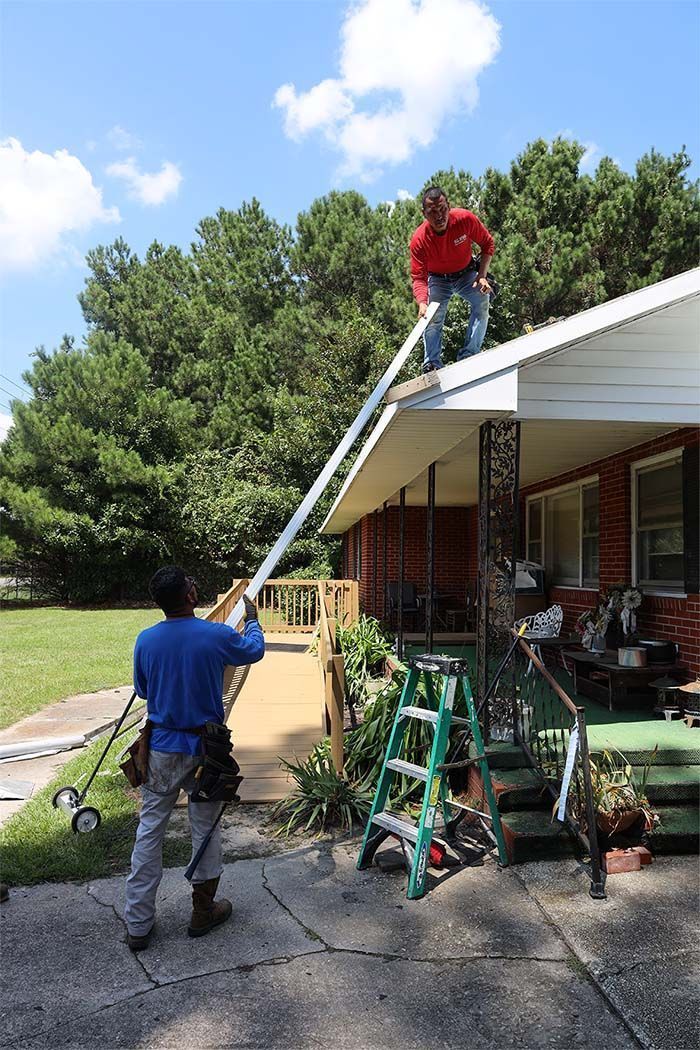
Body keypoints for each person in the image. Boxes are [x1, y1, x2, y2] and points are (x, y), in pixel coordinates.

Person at [124, 566, 264, 951]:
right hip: (206, 751)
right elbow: (254, 650)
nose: (196, 586)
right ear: (188, 597)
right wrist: (252, 620)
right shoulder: (215, 635)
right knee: (205, 830)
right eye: (192, 584)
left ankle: (138, 925)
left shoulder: (147, 639)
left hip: (162, 749)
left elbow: (142, 688)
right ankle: (202, 911)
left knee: (150, 830)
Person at [410, 186, 496, 373]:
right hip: (438, 279)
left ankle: (469, 354)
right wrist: (422, 303)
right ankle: (431, 363)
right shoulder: (419, 240)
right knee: (432, 317)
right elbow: (419, 277)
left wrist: (481, 276)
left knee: (482, 299)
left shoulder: (464, 219)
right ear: (424, 213)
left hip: (466, 274)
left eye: (442, 209)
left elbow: (487, 244)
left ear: (448, 206)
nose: (439, 216)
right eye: (433, 212)